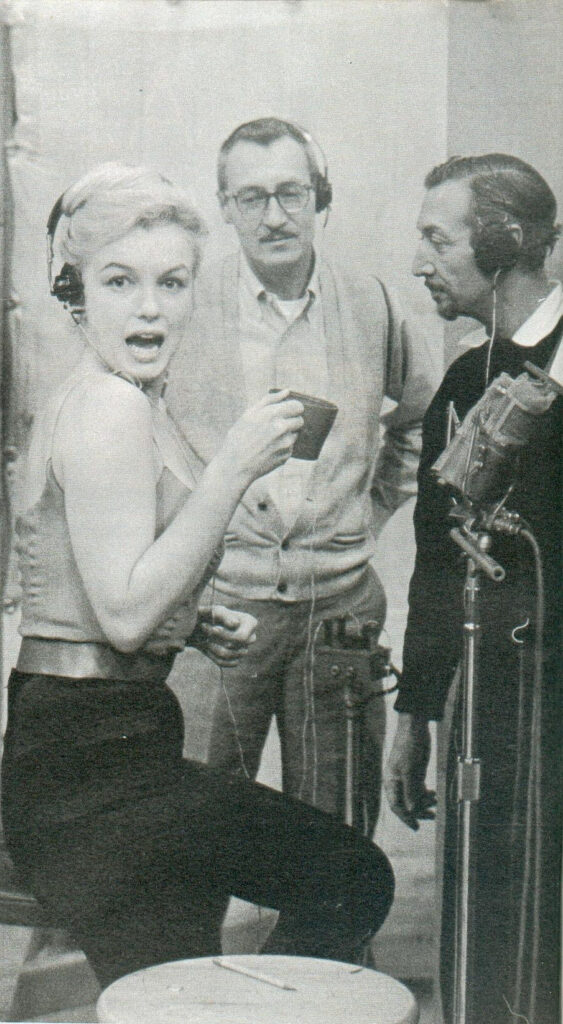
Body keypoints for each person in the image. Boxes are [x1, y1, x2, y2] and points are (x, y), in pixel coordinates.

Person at [0, 162, 395, 990]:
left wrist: (190, 622)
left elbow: (104, 590)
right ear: (74, 293)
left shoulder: (122, 396)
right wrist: (234, 469)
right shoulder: (110, 405)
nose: (149, 307)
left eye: (172, 282)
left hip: (100, 747)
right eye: (120, 281)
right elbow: (123, 616)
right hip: (90, 770)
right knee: (350, 876)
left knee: (179, 978)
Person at [168, 117, 437, 833]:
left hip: (338, 609)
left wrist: (368, 510)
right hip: (217, 611)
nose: (274, 216)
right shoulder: (181, 304)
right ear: (224, 207)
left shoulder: (371, 301)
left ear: (320, 197)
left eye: (291, 193)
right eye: (251, 197)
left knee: (337, 833)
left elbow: (423, 416)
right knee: (193, 828)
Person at [384, 154, 562, 1024]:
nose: (419, 260)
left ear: (505, 242)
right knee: (487, 916)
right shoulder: (465, 380)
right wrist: (415, 714)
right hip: (492, 706)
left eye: (437, 238)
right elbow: (435, 560)